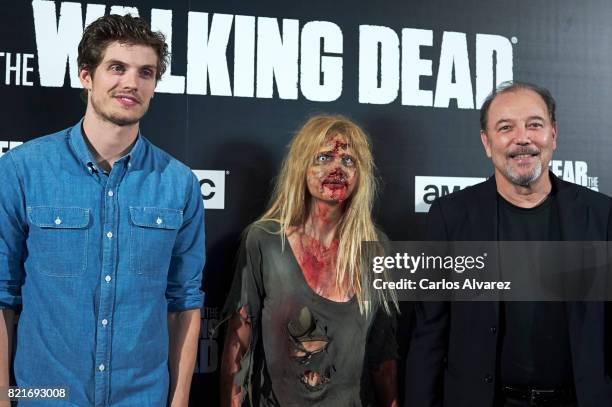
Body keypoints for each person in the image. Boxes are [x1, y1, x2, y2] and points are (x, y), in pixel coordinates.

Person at [0, 14, 205, 406]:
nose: (132, 83)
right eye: (117, 68)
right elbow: (2, 295)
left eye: (146, 72)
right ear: (86, 76)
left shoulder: (179, 184)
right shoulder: (21, 170)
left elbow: (184, 304)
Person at [404, 81, 612, 407]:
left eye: (534, 125)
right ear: (487, 143)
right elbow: (429, 331)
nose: (523, 139)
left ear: (553, 135)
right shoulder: (451, 216)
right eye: (506, 128)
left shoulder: (600, 215)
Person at [220, 115, 399, 406]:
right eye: (324, 157)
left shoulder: (375, 248)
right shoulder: (264, 240)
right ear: (301, 166)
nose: (337, 168)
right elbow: (237, 344)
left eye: (349, 161)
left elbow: (383, 355)